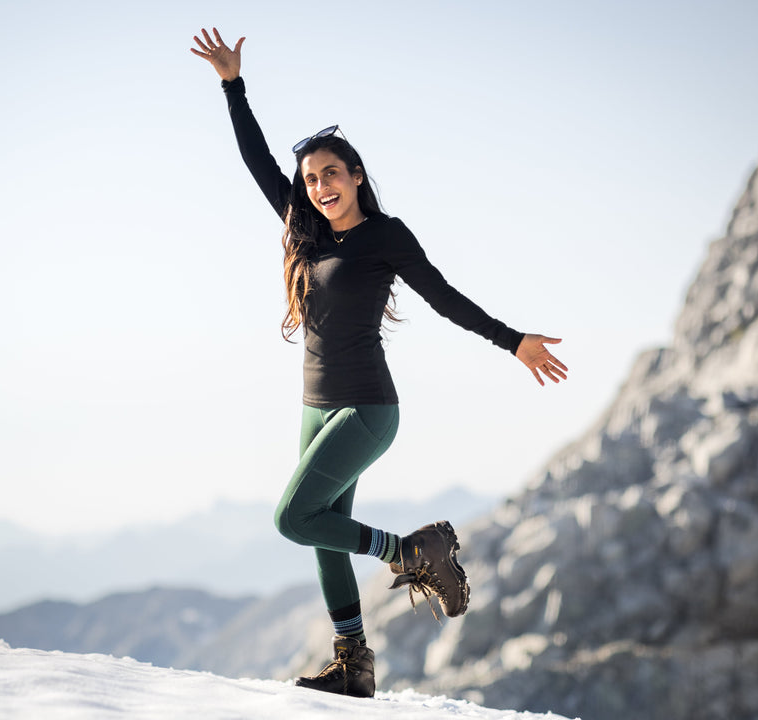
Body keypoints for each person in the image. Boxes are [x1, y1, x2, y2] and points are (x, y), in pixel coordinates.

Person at [190, 27, 568, 698]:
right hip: (315, 407)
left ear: (357, 174)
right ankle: (354, 664)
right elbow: (256, 163)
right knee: (322, 535)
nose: (319, 186)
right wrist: (233, 86)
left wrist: (513, 341)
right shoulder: (303, 229)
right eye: (310, 179)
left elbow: (445, 297)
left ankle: (415, 555)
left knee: (292, 517)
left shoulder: (387, 238)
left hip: (367, 408)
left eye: (330, 173)